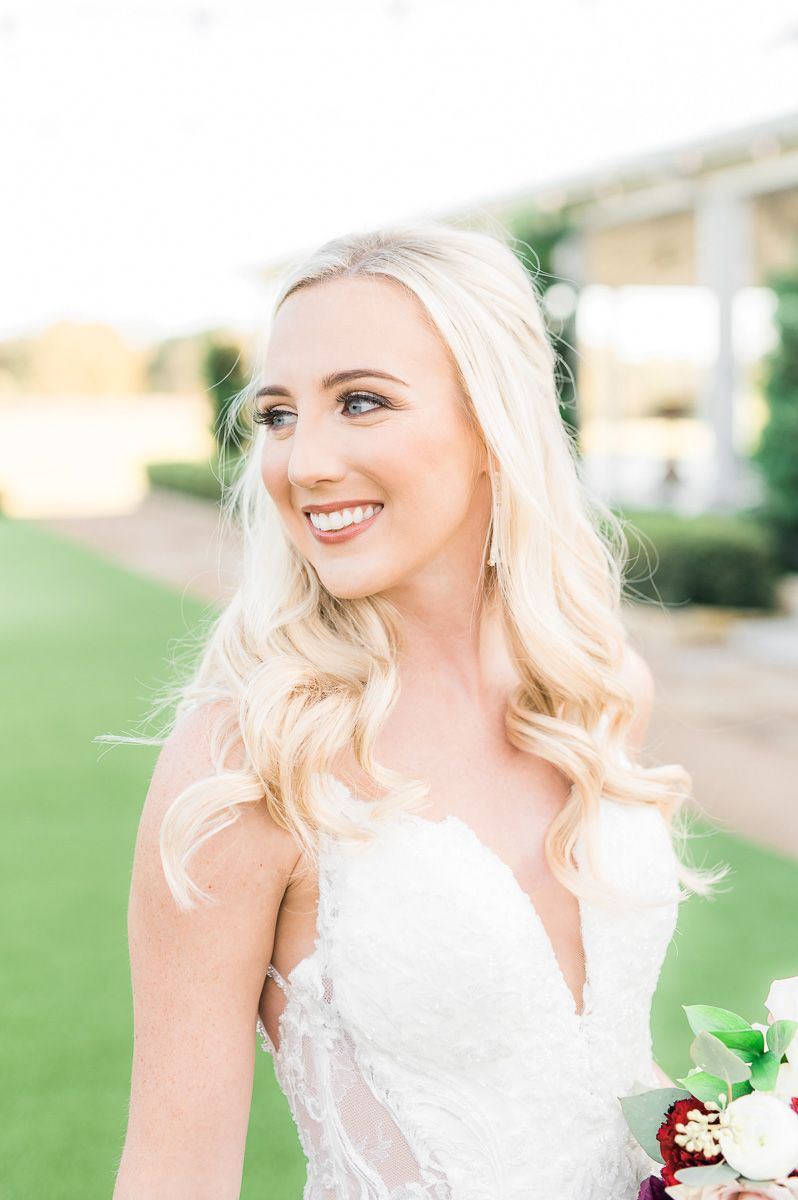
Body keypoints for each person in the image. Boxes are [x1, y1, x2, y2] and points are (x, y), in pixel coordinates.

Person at [112, 222, 728, 1200]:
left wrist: (734, 1161)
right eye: (277, 414)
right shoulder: (249, 766)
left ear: (494, 425)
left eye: (361, 402)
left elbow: (586, 1070)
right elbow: (172, 1175)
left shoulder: (596, 690)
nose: (304, 462)